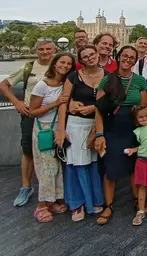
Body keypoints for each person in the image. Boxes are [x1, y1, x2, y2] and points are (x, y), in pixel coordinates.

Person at [94, 45, 147, 225]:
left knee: (135, 166)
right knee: (110, 167)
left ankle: (137, 199)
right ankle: (108, 205)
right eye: (125, 56)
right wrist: (99, 134)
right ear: (119, 57)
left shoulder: (140, 81)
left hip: (133, 127)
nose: (128, 59)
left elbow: (142, 108)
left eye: (132, 57)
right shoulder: (107, 80)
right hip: (113, 128)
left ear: (135, 61)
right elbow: (99, 110)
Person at [0, 37, 56, 207]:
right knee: (28, 151)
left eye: (48, 49)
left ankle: (53, 189)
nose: (45, 52)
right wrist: (16, 102)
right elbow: (4, 85)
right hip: (31, 116)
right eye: (41, 49)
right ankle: (26, 186)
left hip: (54, 117)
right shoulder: (28, 67)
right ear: (36, 51)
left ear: (54, 50)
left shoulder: (60, 66)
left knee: (54, 152)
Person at [55, 44, 105, 222]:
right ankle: (77, 203)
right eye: (85, 56)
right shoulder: (74, 77)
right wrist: (61, 130)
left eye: (92, 54)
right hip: (76, 125)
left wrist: (94, 107)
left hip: (96, 125)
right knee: (76, 164)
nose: (90, 58)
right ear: (81, 60)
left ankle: (95, 199)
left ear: (97, 54)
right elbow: (63, 102)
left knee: (93, 164)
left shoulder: (107, 76)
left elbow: (112, 101)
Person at [28, 52, 75, 222]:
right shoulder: (42, 85)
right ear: (54, 63)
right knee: (48, 168)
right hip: (44, 130)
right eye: (62, 62)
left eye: (69, 64)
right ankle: (41, 206)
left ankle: (52, 200)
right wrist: (55, 103)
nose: (65, 66)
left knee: (57, 168)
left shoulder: (66, 84)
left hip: (59, 128)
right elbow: (32, 112)